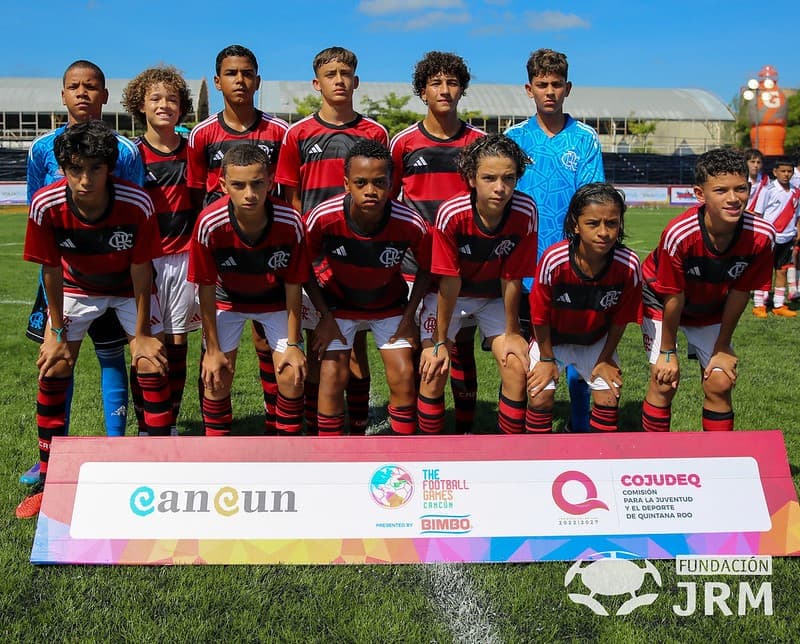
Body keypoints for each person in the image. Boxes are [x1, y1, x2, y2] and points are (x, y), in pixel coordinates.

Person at [17, 120, 170, 518]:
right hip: (76, 287)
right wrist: (54, 331)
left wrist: (141, 334)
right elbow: (50, 269)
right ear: (64, 167)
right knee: (53, 365)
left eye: (95, 169)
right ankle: (50, 482)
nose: (85, 180)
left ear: (110, 168)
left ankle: (157, 473)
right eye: (76, 169)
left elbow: (141, 268)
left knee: (150, 360)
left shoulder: (136, 203)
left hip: (126, 287)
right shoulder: (45, 204)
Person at [20, 59, 144, 485]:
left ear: (105, 95)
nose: (83, 93)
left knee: (112, 354)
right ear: (63, 94)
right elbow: (40, 212)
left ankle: (116, 446)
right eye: (74, 86)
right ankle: (50, 460)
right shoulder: (41, 149)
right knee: (57, 358)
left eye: (92, 87)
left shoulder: (124, 151)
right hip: (63, 275)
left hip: (114, 276)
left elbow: (129, 212)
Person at [276, 46, 389, 435]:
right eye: (331, 74)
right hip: (315, 256)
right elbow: (290, 197)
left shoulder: (374, 133)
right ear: (316, 83)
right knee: (319, 343)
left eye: (345, 73)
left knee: (356, 346)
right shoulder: (299, 134)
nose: (339, 80)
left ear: (356, 81)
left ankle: (357, 424)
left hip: (360, 255)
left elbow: (384, 193)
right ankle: (313, 424)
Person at [187, 44, 290, 433]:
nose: (240, 80)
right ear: (217, 81)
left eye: (247, 73)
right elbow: (198, 196)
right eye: (231, 73)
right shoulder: (202, 135)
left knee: (269, 344)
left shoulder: (280, 132)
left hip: (269, 257)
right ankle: (217, 438)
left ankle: (275, 423)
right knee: (213, 355)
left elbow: (284, 196)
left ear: (258, 80)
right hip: (223, 257)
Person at [640, 148, 775, 433]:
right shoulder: (680, 233)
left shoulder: (762, 236)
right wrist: (668, 350)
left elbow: (740, 292)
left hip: (711, 305)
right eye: (721, 190)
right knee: (665, 380)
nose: (733, 198)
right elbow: (672, 294)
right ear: (700, 194)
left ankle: (719, 463)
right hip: (663, 300)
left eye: (740, 189)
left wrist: (723, 345)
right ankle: (653, 460)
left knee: (720, 380)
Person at [505, 48, 604, 433]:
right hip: (526, 267)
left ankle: (581, 430)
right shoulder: (514, 139)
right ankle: (524, 434)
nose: (550, 91)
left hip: (575, 265)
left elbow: (593, 199)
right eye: (542, 85)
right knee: (526, 358)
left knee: (580, 350)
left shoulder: (584, 139)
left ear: (568, 88)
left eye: (557, 84)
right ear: (528, 89)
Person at [304, 140, 430, 436]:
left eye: (379, 182)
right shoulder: (324, 217)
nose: (370, 190)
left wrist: (409, 317)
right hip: (338, 308)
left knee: (403, 372)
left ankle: (403, 452)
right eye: (361, 183)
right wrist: (324, 316)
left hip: (389, 307)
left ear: (391, 184)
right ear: (347, 183)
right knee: (333, 372)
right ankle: (329, 451)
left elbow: (426, 268)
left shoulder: (410, 221)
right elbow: (302, 268)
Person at [390, 51, 485, 434]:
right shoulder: (404, 143)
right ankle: (413, 429)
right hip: (415, 266)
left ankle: (463, 429)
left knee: (459, 347)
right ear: (422, 91)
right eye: (435, 83)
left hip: (463, 268)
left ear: (462, 89)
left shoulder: (479, 144)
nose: (444, 90)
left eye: (452, 82)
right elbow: (390, 200)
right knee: (417, 347)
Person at [418, 134, 537, 435]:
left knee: (516, 366)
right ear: (471, 178)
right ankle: (427, 453)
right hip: (450, 296)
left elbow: (511, 277)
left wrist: (512, 332)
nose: (500, 188)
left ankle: (509, 453)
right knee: (434, 367)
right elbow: (449, 281)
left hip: (493, 297)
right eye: (489, 178)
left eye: (509, 178)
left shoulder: (525, 211)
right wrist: (440, 340)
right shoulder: (452, 213)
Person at [188, 144, 307, 435]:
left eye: (257, 183)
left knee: (292, 375)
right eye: (239, 185)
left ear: (270, 180)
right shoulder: (209, 223)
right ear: (223, 184)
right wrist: (212, 350)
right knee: (215, 376)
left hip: (275, 300)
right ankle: (219, 452)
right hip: (226, 300)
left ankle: (286, 449)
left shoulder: (290, 221)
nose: (249, 194)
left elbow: (294, 285)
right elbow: (204, 287)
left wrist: (293, 345)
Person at [526, 183, 641, 433]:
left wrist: (605, 358)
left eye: (611, 223)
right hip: (552, 342)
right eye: (593, 223)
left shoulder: (629, 264)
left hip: (595, 342)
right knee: (540, 397)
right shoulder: (554, 260)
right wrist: (546, 359)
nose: (603, 232)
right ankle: (539, 461)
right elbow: (539, 315)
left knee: (609, 397)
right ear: (576, 225)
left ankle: (599, 463)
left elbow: (621, 319)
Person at [122, 66, 199, 434]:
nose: (164, 104)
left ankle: (168, 423)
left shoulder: (194, 151)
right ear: (140, 104)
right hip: (145, 262)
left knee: (178, 340)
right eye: (155, 98)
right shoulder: (131, 155)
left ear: (181, 106)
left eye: (171, 98)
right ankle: (146, 426)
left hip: (184, 258)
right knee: (146, 344)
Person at [751, 157, 800, 318]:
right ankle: (759, 304)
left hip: (788, 238)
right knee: (763, 271)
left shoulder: (796, 191)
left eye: (789, 172)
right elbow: (758, 214)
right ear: (775, 172)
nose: (786, 175)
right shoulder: (768, 190)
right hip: (770, 238)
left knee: (782, 272)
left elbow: (797, 215)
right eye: (783, 171)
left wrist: (797, 232)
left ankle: (779, 304)